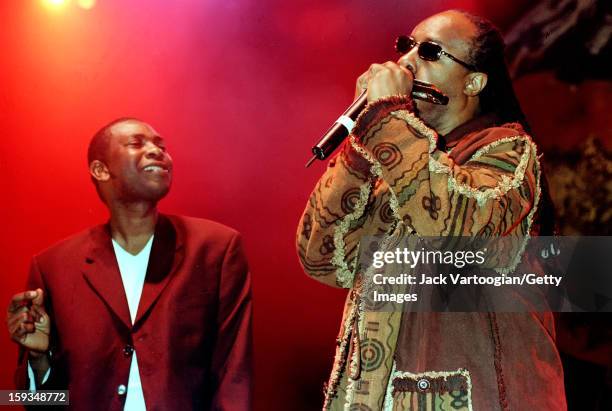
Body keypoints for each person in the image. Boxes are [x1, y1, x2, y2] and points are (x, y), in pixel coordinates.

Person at [296, 10, 566, 411]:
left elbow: (455, 225)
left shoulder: (507, 150)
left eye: (430, 51)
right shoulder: (399, 166)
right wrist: (358, 154)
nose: (406, 61)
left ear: (474, 82)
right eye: (406, 46)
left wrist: (387, 122)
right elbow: (322, 258)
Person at [7, 118, 252, 410]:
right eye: (137, 143)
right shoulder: (52, 266)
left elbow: (234, 375)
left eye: (161, 146)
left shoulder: (216, 249)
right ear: (100, 169)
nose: (157, 151)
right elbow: (31, 403)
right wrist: (38, 361)